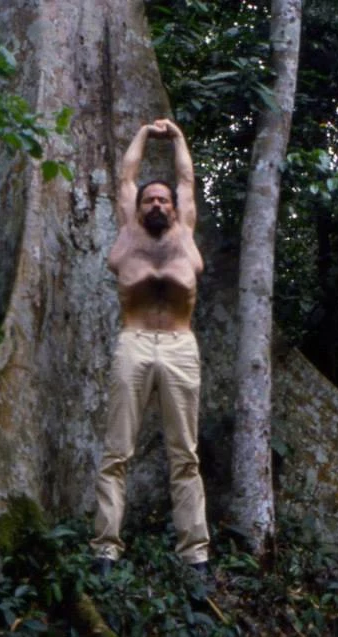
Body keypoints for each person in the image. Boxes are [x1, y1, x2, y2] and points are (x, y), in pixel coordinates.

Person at [91, 119, 210, 576]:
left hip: (180, 346)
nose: (157, 202)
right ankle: (105, 548)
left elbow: (185, 179)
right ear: (137, 208)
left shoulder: (184, 234)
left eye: (163, 199)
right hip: (133, 344)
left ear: (175, 208)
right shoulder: (128, 235)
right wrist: (142, 132)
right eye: (149, 199)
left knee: (185, 454)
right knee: (117, 451)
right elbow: (125, 176)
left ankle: (195, 554)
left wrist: (178, 136)